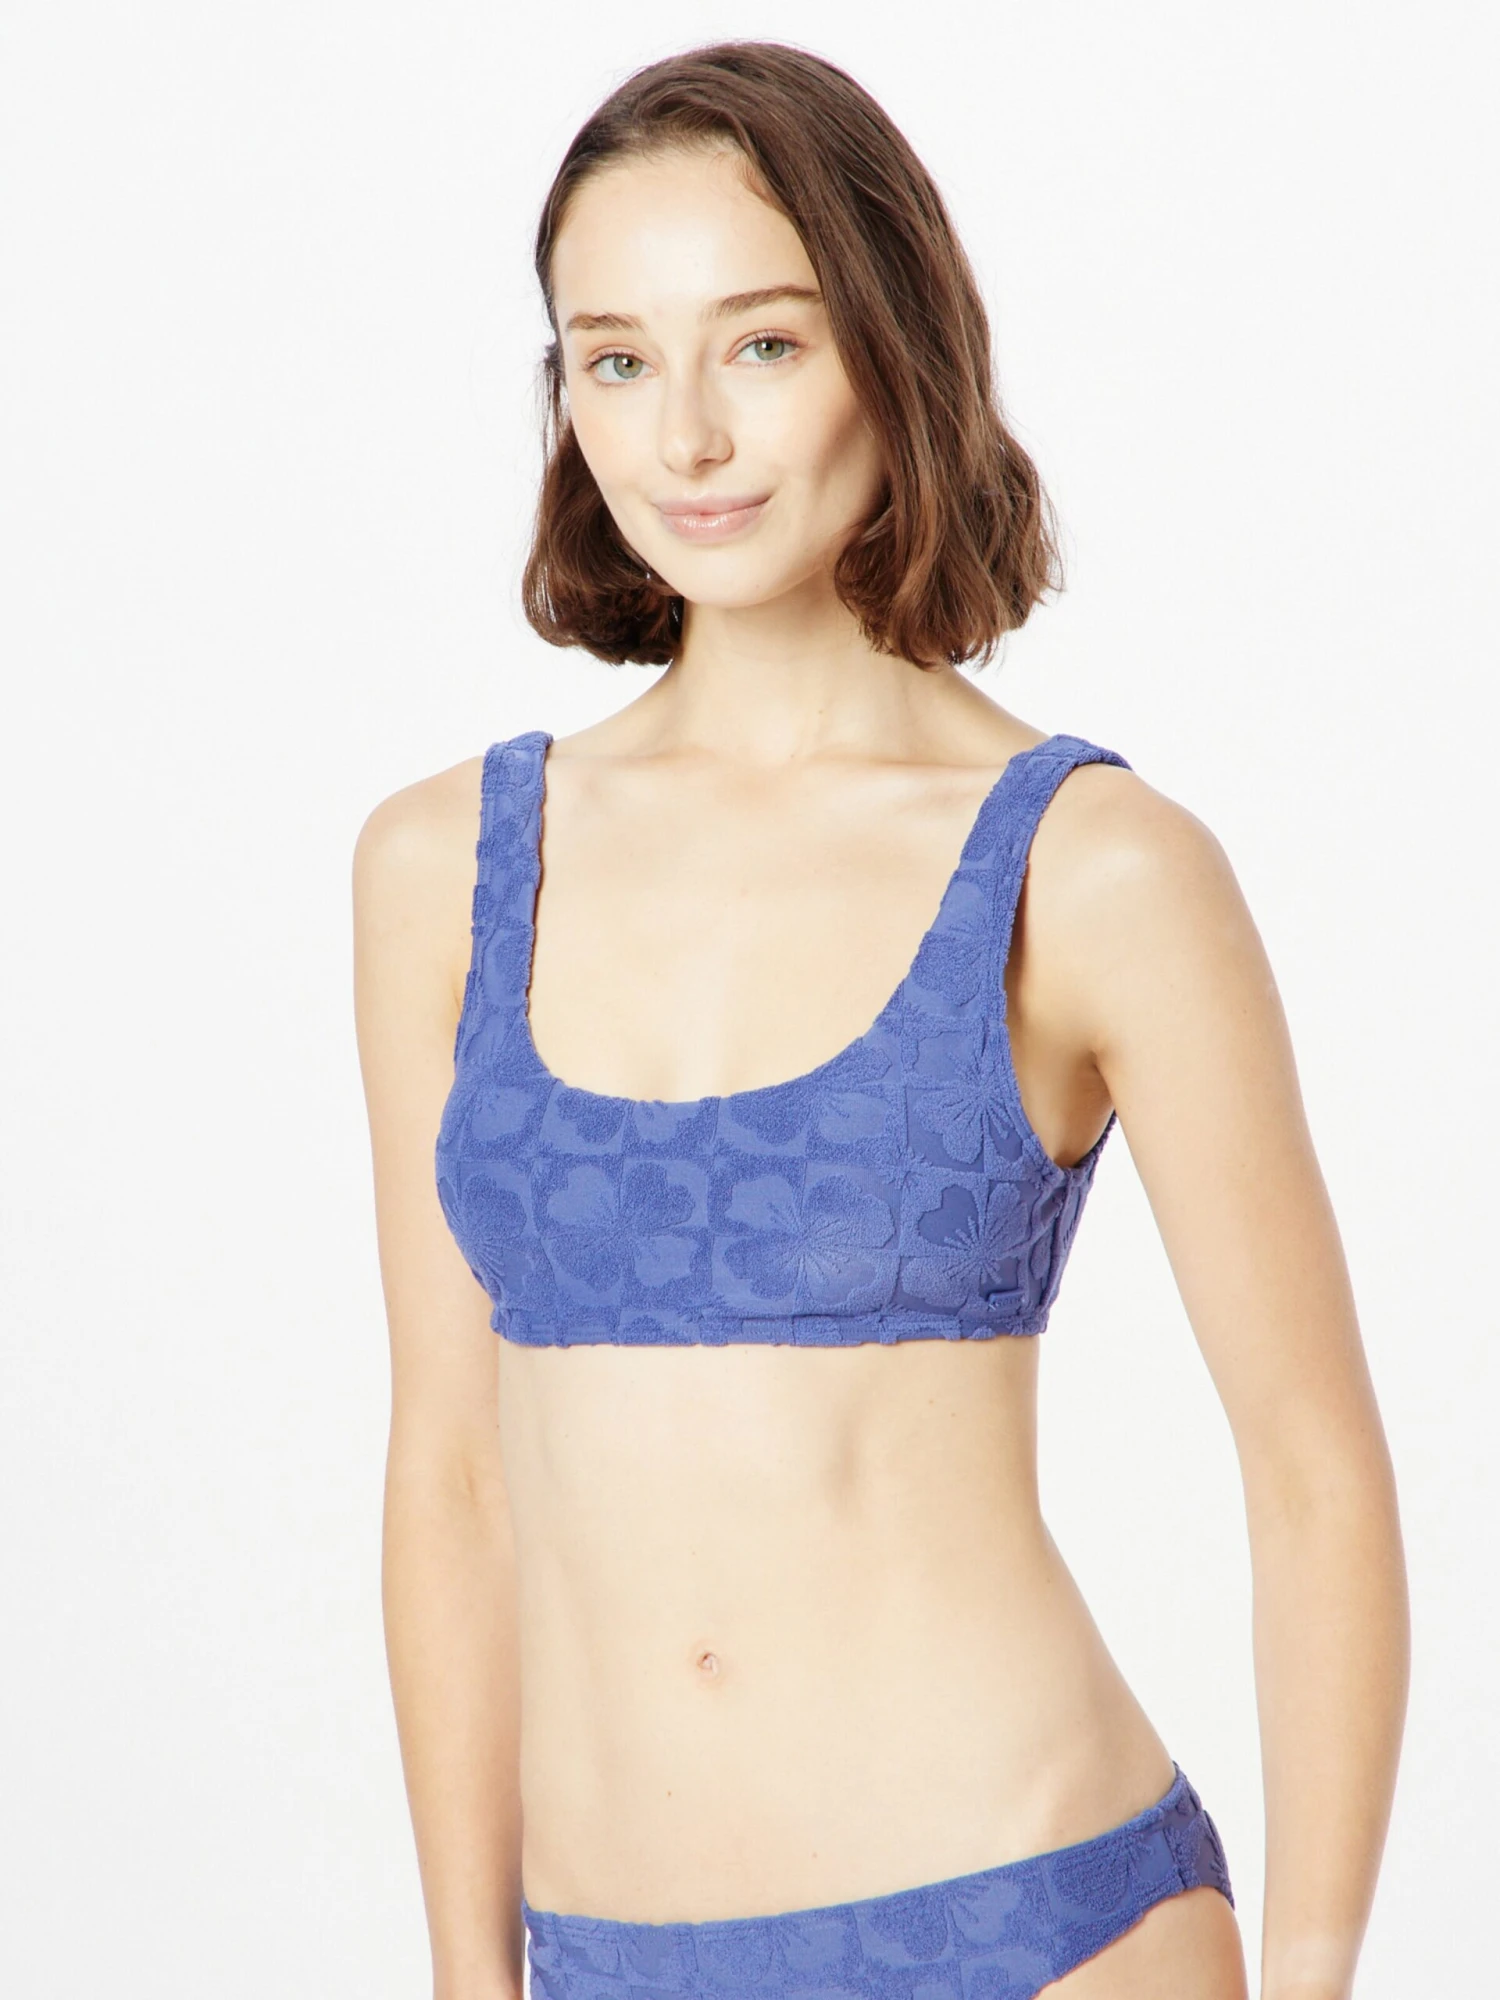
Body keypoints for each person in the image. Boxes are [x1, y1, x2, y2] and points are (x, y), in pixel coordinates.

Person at [352, 41, 1408, 2000]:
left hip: (1038, 1925)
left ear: (891, 346)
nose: (687, 434)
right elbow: (453, 1476)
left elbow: (1314, 1471)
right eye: (615, 359)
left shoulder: (1090, 869)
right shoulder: (444, 866)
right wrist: (466, 1975)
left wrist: (1323, 1971)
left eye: (761, 344)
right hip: (603, 1951)